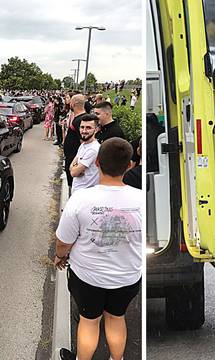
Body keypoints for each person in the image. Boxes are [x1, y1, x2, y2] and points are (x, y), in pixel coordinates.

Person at [55, 138, 141, 360]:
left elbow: (64, 241)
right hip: (127, 277)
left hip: (87, 277)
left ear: (97, 163)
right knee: (116, 317)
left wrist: (60, 257)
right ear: (129, 165)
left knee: (89, 321)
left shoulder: (81, 199)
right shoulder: (141, 200)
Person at [70, 114, 101, 192]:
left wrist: (75, 168)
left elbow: (73, 173)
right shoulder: (83, 145)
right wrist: (76, 167)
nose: (84, 131)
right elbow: (71, 167)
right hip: (77, 192)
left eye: (88, 128)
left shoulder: (93, 149)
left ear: (96, 129)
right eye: (82, 127)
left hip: (85, 194)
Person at [63, 94, 88, 188]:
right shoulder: (81, 118)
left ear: (72, 104)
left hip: (74, 158)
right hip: (72, 157)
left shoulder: (79, 121)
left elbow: (84, 143)